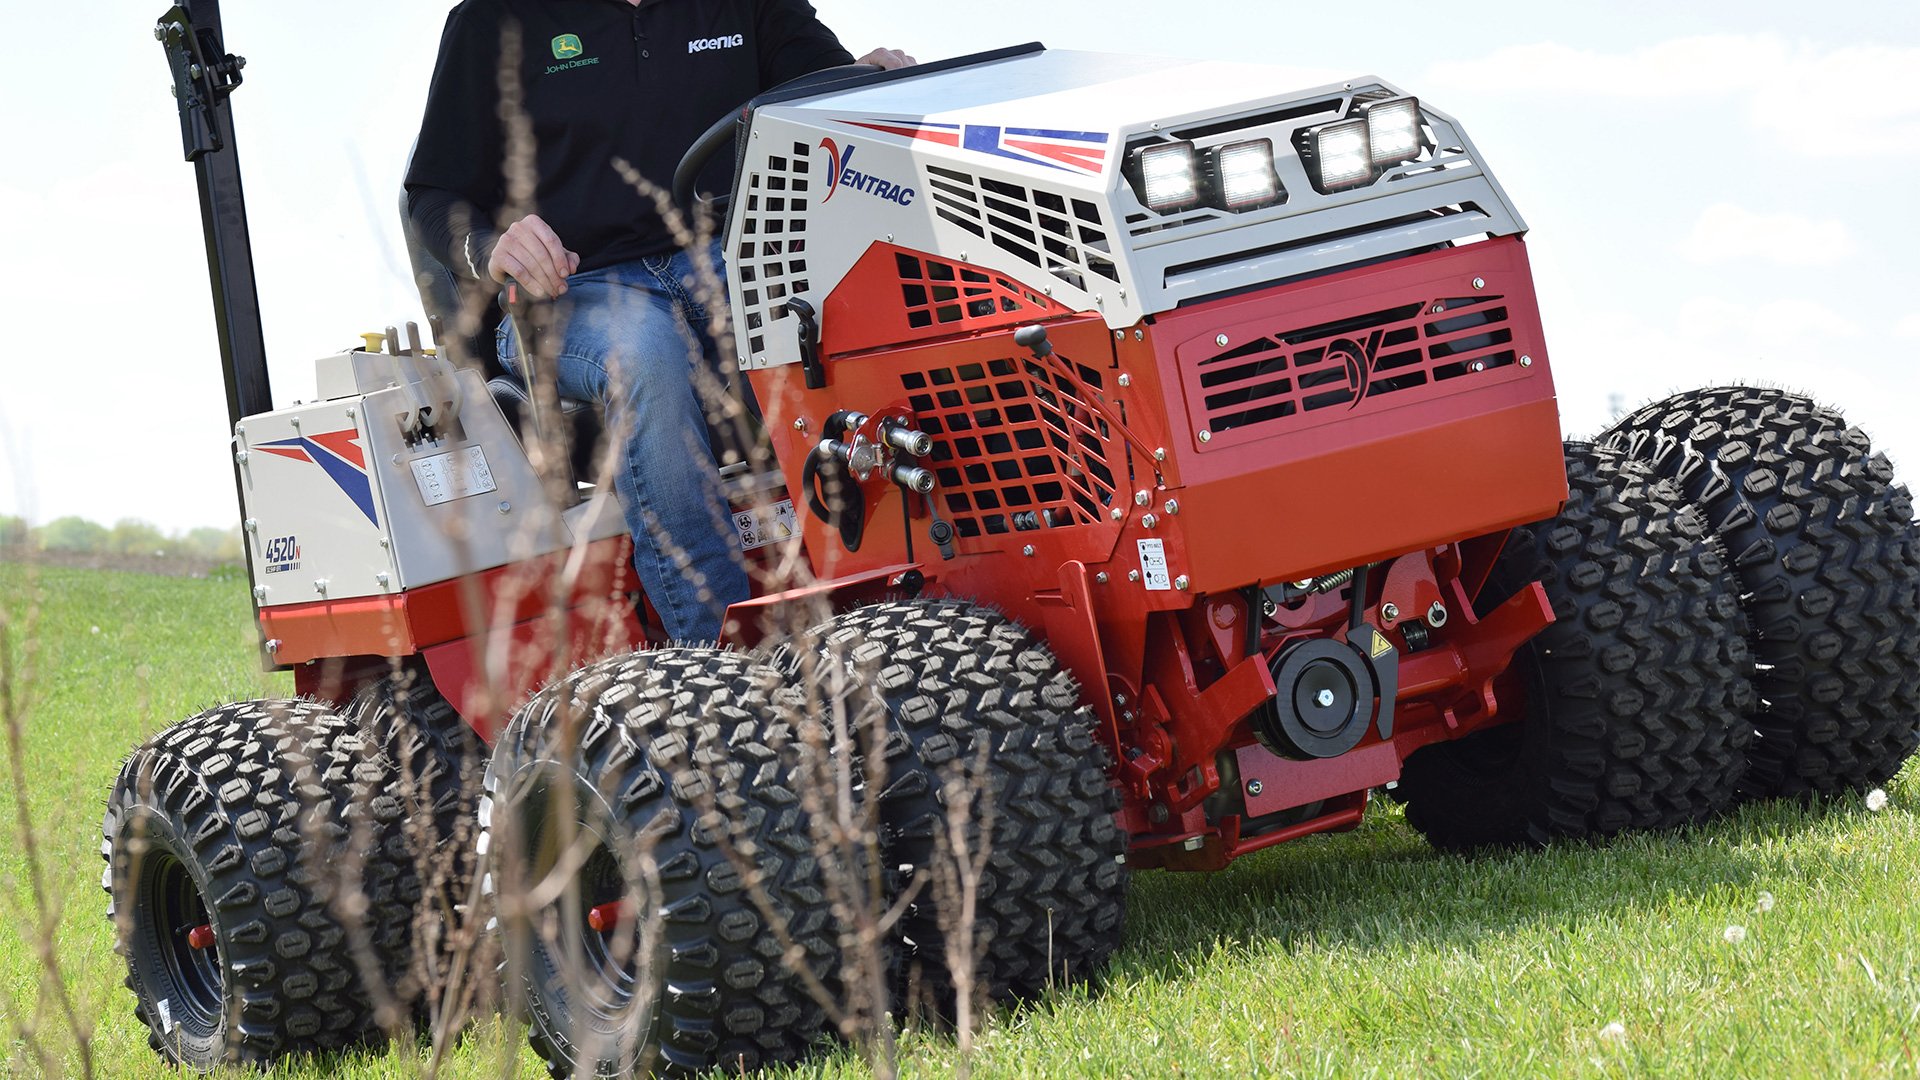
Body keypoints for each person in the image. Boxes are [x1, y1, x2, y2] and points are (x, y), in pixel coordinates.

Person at [404, 1, 913, 641]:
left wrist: (872, 82)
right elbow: (434, 192)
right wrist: (489, 247)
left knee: (856, 301)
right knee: (644, 352)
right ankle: (718, 660)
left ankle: (903, 604)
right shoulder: (492, 20)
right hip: (574, 288)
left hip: (734, 259)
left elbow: (823, 97)